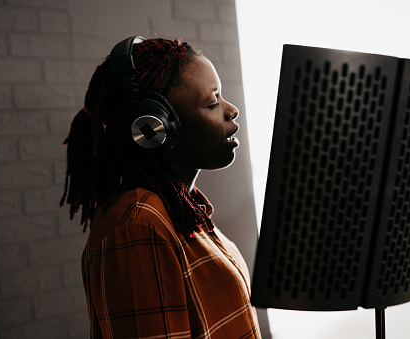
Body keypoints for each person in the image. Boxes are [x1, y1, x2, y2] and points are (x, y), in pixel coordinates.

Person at [60, 36, 261, 338]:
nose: (231, 110)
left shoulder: (182, 209)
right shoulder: (138, 226)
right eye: (212, 102)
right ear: (154, 127)